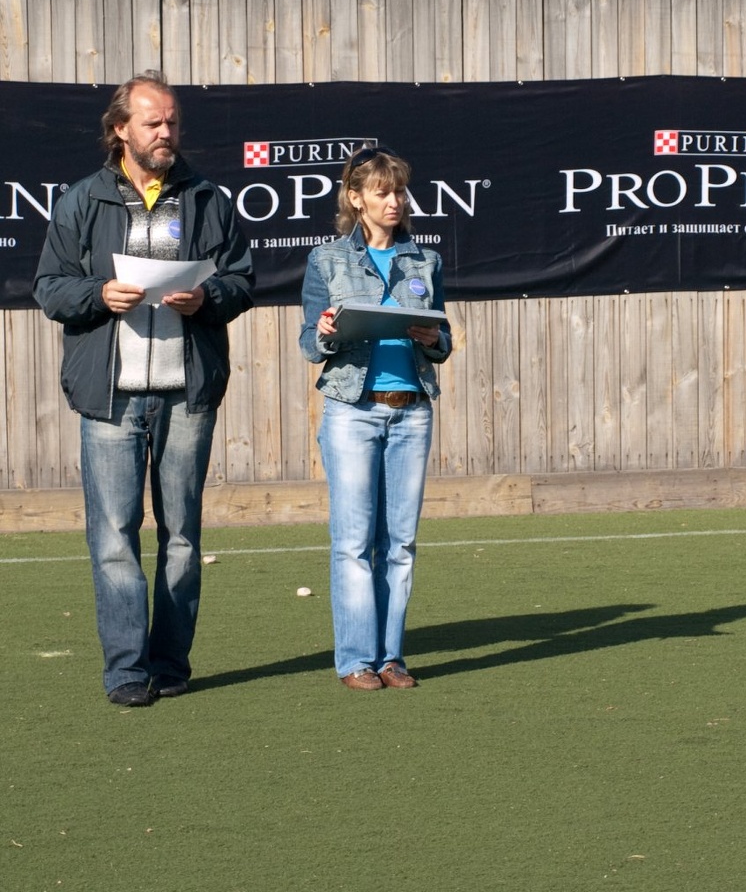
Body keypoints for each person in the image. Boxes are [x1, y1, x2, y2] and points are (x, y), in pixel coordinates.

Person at [33, 70, 255, 707]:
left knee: (182, 538)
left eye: (173, 122)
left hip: (187, 395)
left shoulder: (209, 198)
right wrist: (98, 295)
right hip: (110, 397)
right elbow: (49, 288)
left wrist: (206, 297)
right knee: (113, 537)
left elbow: (242, 279)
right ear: (119, 130)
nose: (166, 133)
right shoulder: (81, 201)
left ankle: (171, 662)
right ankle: (128, 671)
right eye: (154, 123)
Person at [299, 144, 452, 691]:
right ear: (355, 198)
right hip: (351, 411)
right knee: (353, 542)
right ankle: (356, 661)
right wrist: (325, 332)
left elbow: (443, 341)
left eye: (400, 191)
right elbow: (309, 344)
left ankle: (392, 658)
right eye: (383, 192)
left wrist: (435, 339)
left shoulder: (425, 261)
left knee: (401, 544)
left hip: (412, 412)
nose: (395, 201)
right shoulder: (326, 260)